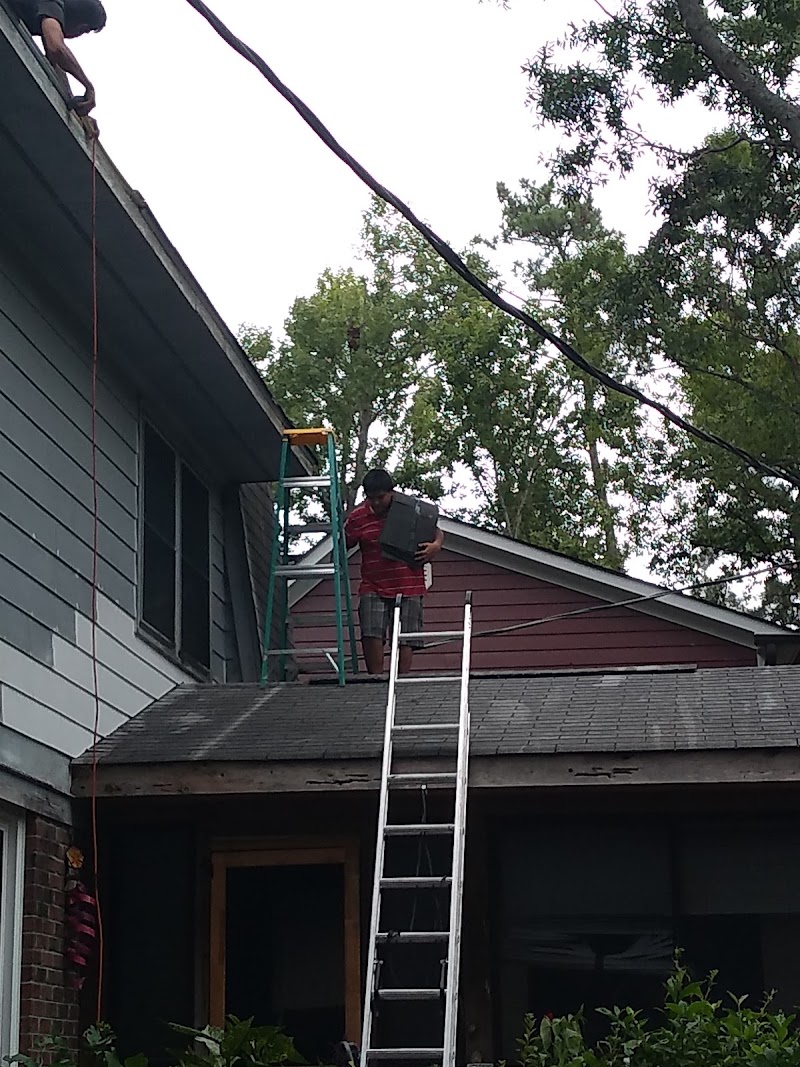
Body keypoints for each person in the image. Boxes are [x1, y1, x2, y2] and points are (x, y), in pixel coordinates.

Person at [345, 469, 444, 675]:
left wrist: (436, 546)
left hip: (409, 583)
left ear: (392, 492)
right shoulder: (358, 517)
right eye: (371, 498)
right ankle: (376, 680)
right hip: (373, 584)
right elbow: (344, 543)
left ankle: (401, 680)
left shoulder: (410, 508)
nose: (376, 503)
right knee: (371, 632)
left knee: (406, 637)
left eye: (381, 497)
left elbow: (436, 531)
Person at [11, 0, 106, 117]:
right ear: (82, 27)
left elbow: (55, 63)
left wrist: (80, 115)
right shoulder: (52, 3)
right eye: (84, 31)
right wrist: (88, 86)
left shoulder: (45, 13)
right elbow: (57, 48)